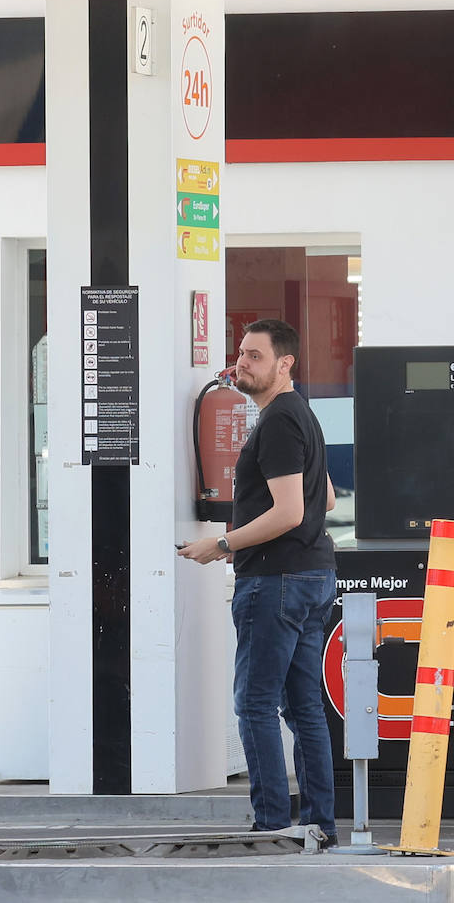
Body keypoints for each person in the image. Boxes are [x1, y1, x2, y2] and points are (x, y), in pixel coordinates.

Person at [179, 319, 338, 845]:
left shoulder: (278, 421)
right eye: (241, 353)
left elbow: (291, 512)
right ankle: (317, 825)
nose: (241, 363)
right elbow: (325, 498)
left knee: (255, 703)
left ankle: (271, 824)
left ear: (284, 363)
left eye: (255, 356)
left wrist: (221, 544)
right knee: (303, 707)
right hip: (312, 576)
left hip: (276, 580)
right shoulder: (301, 414)